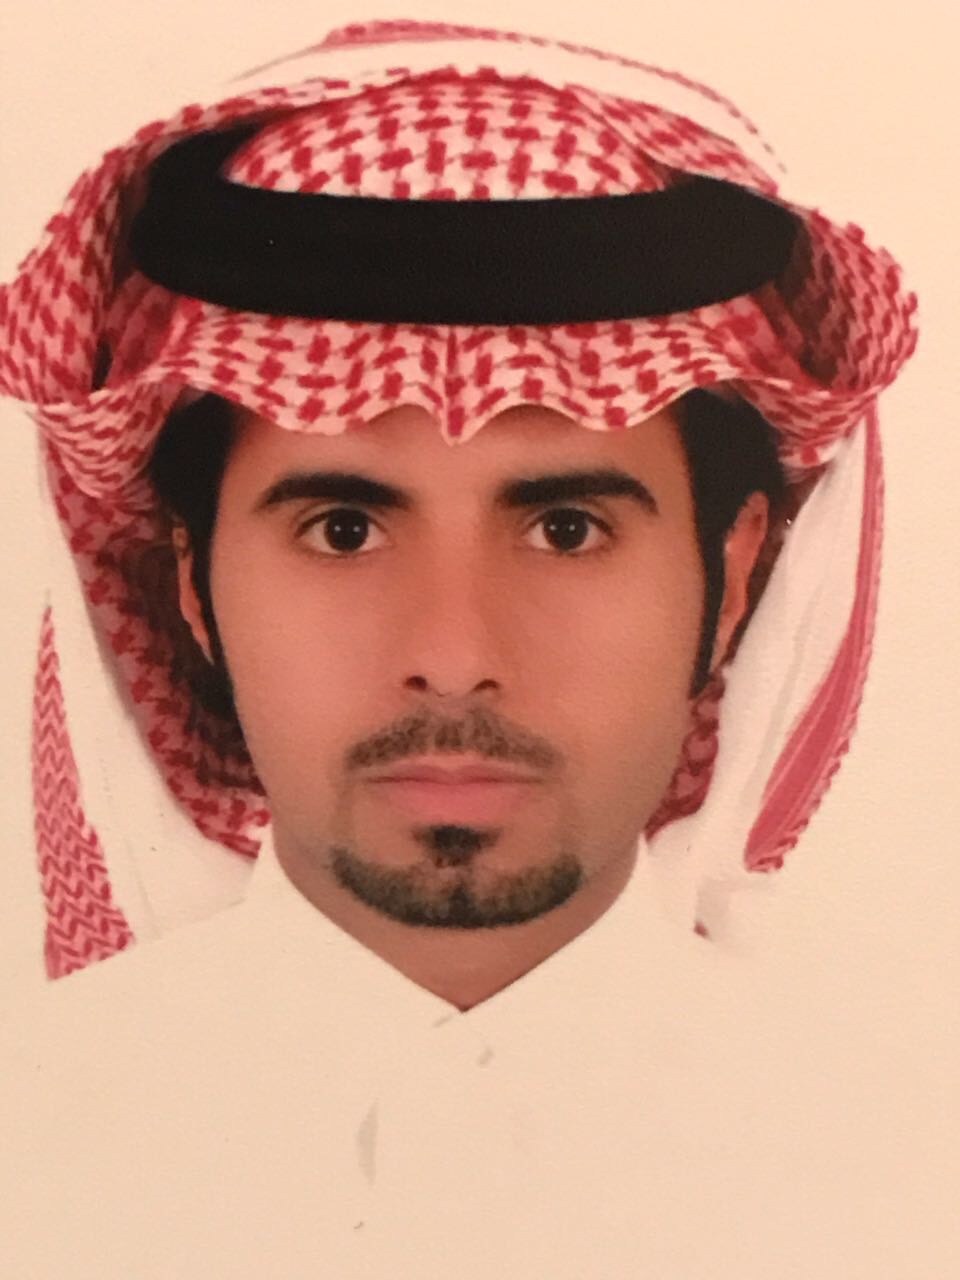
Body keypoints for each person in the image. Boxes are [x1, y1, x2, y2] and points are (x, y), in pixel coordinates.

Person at [3, 18, 944, 1278]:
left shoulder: (909, 1167)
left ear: (729, 583)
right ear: (193, 586)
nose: (453, 655)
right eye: (344, 529)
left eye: (566, 529)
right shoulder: (31, 1151)